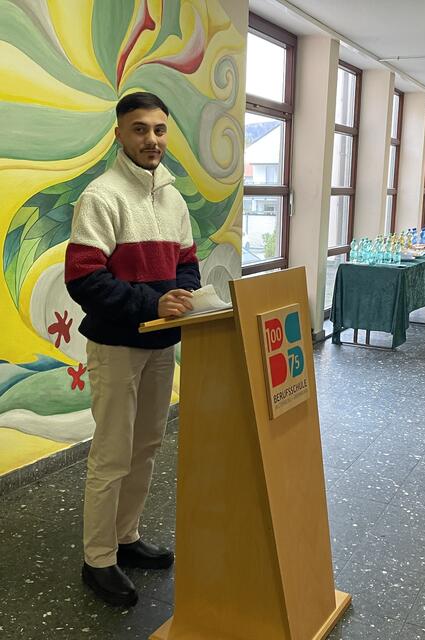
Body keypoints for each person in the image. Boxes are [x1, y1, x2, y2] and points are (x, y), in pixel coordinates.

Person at [65, 92, 201, 607]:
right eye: (140, 129)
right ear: (119, 134)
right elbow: (83, 279)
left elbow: (187, 265)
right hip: (117, 346)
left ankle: (126, 537)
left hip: (161, 343)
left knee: (145, 446)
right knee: (112, 453)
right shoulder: (101, 196)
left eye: (159, 129)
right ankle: (98, 559)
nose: (152, 139)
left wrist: (183, 295)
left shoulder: (173, 199)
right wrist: (152, 302)